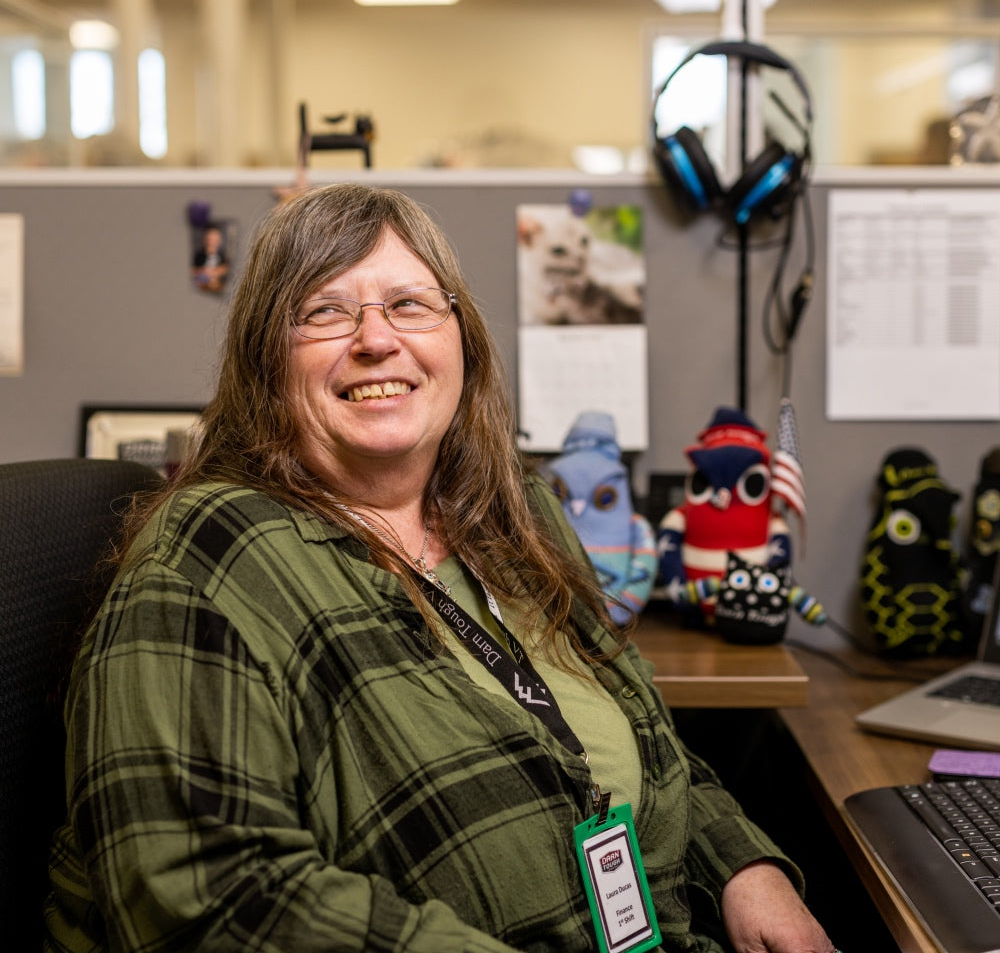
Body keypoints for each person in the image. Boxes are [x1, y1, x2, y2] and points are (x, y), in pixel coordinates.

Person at [44, 184, 838, 953]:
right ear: (264, 361)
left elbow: (645, 731)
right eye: (324, 311)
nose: (376, 339)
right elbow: (208, 901)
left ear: (460, 338)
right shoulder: (210, 560)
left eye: (412, 304)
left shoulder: (513, 513)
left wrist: (742, 865)